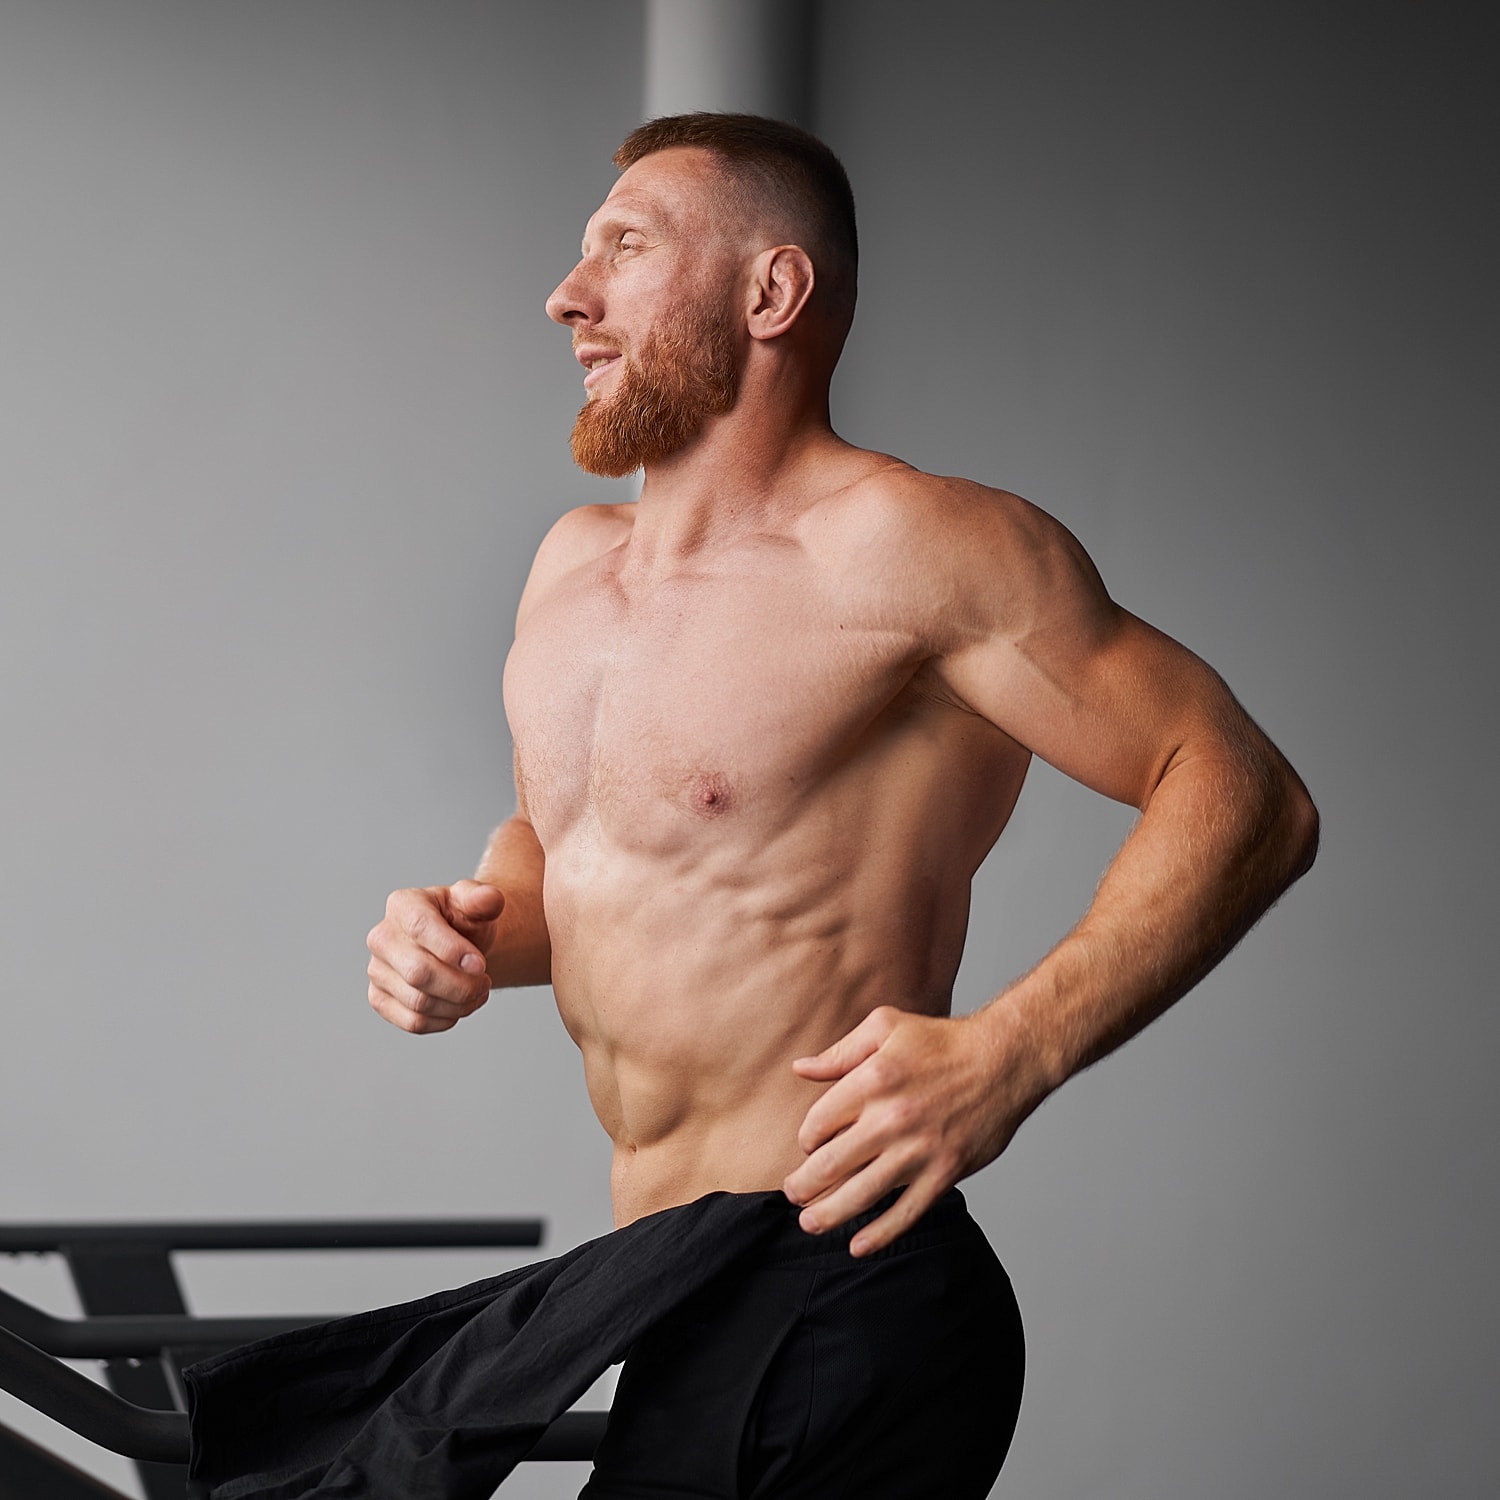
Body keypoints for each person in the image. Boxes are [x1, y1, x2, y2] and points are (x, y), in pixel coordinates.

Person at [364, 112, 1319, 1496]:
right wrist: (462, 929)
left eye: (624, 250)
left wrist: (1012, 1053)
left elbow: (1245, 792)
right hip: (665, 1288)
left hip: (839, 1289)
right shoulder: (569, 573)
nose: (568, 297)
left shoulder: (914, 549)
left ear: (771, 292)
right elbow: (575, 868)